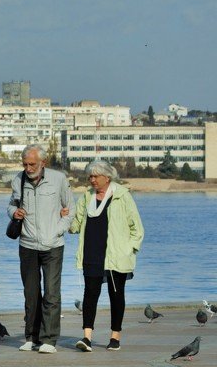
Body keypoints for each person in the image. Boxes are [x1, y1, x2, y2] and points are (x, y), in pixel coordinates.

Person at [69, 160, 144, 352]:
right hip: (92, 253)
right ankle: (87, 337)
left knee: (116, 294)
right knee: (90, 294)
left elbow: (137, 228)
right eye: (90, 176)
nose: (92, 180)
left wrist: (130, 249)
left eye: (95, 176)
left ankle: (115, 336)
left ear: (107, 177)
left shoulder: (122, 196)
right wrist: (65, 218)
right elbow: (76, 224)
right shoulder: (87, 197)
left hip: (117, 254)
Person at [9, 145, 74, 354]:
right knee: (31, 294)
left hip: (53, 246)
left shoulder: (59, 179)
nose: (28, 168)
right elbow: (10, 205)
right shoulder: (18, 179)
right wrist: (14, 213)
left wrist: (58, 230)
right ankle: (32, 337)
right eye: (25, 164)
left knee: (51, 294)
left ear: (43, 163)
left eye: (32, 164)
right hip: (27, 245)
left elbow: (70, 209)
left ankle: (49, 339)